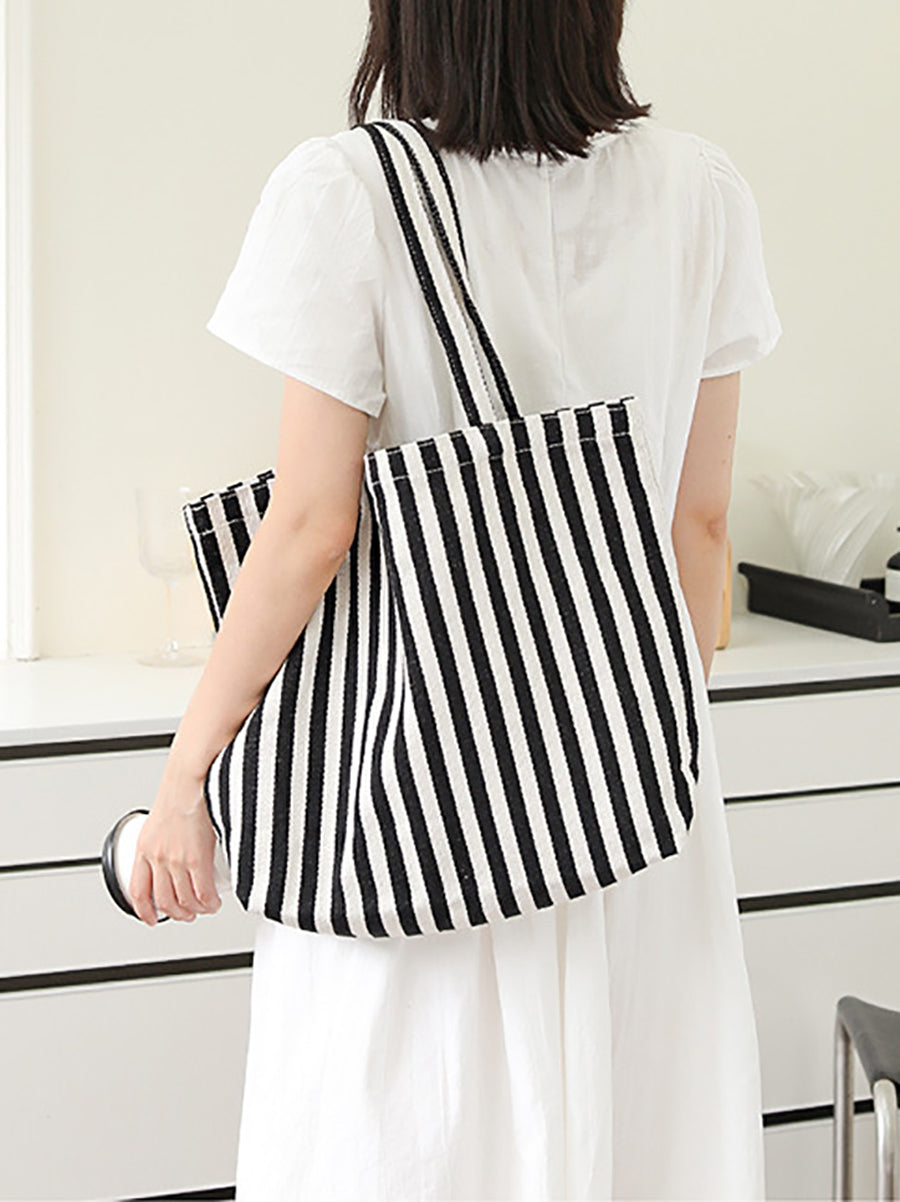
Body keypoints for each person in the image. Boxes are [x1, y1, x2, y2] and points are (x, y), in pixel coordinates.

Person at [130, 1, 782, 1197]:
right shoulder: (703, 191)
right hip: (644, 812)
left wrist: (185, 777)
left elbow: (312, 527)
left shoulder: (349, 192)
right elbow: (699, 528)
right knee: (638, 1139)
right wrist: (624, 737)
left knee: (417, 1138)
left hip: (419, 809)